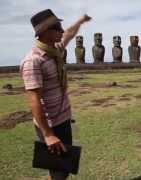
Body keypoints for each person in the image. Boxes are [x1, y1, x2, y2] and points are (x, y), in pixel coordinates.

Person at [20, 9, 91, 180]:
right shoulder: (33, 61)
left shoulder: (55, 50)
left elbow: (69, 33)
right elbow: (34, 99)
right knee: (59, 172)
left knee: (63, 168)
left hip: (63, 119)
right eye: (57, 28)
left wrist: (81, 21)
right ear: (45, 32)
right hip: (50, 124)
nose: (61, 31)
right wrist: (48, 134)